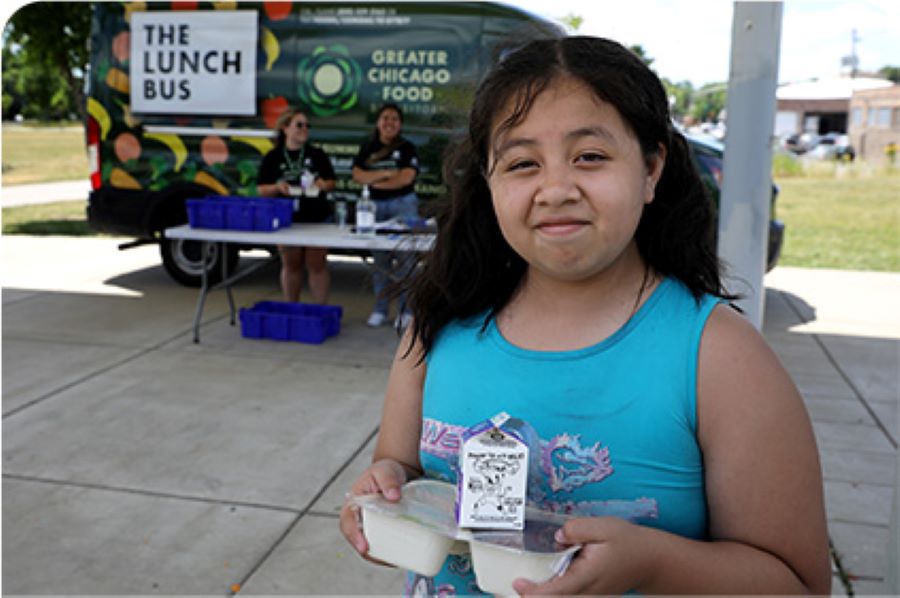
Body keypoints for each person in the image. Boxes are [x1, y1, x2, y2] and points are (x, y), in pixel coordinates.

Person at [340, 36, 831, 595]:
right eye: (523, 163)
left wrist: (653, 563)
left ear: (651, 170)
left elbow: (800, 586)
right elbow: (398, 467)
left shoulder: (719, 356)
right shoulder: (437, 328)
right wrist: (385, 493)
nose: (556, 189)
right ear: (489, 181)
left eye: (590, 157)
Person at [257, 107, 336, 303]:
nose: (304, 129)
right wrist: (277, 187)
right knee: (291, 265)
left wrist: (321, 184)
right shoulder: (273, 157)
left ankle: (320, 309)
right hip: (286, 219)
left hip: (316, 217)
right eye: (299, 125)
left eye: (307, 125)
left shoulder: (317, 154)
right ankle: (292, 307)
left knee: (316, 264)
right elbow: (261, 189)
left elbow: (331, 182)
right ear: (285, 128)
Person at [351, 103, 420, 329]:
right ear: (378, 122)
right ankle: (380, 310)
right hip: (374, 208)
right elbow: (358, 176)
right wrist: (386, 173)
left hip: (403, 205)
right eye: (385, 118)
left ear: (400, 124)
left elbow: (406, 179)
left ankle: (406, 311)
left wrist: (375, 179)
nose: (389, 122)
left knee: (406, 260)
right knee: (379, 261)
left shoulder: (407, 147)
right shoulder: (367, 147)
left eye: (394, 119)